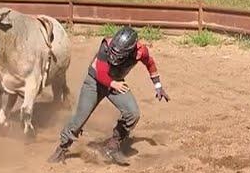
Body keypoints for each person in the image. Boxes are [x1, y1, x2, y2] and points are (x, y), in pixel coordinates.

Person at [48, 26, 169, 165]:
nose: (114, 56)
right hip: (94, 83)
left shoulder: (141, 51)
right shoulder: (106, 45)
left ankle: (112, 146)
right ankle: (62, 149)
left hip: (115, 83)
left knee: (133, 113)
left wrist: (158, 86)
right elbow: (100, 73)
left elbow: (150, 63)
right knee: (79, 119)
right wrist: (113, 84)